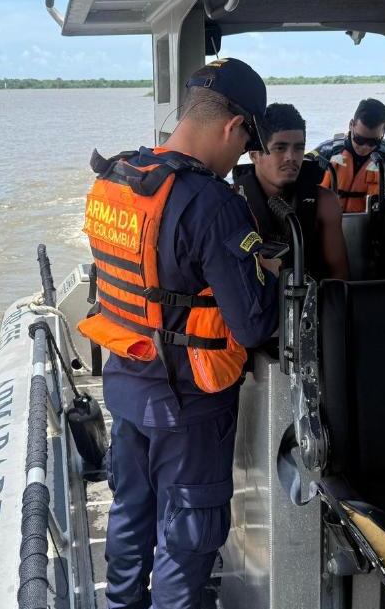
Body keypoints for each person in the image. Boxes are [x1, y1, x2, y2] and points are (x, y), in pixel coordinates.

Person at [76, 57, 281, 609]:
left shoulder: (117, 179)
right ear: (233, 127)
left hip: (127, 385)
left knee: (131, 514)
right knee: (186, 541)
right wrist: (267, 275)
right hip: (189, 406)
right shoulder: (214, 204)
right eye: (247, 143)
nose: (242, 157)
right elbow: (252, 324)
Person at [232, 103, 350, 279]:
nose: (291, 157)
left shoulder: (325, 203)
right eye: (280, 148)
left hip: (310, 293)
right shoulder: (231, 204)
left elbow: (339, 276)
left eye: (299, 148)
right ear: (254, 154)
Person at [306, 98, 385, 213]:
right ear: (351, 125)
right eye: (359, 139)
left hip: (367, 223)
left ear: (384, 129)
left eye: (373, 142)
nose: (365, 147)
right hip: (326, 220)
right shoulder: (326, 152)